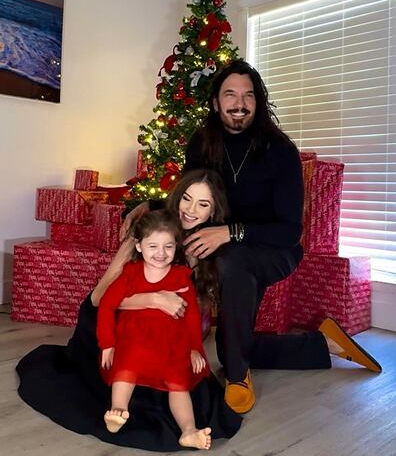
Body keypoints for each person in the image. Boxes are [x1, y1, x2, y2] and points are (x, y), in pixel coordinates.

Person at [177, 59, 382, 414]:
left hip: (275, 249)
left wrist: (230, 231)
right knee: (230, 342)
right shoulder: (202, 142)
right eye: (230, 94)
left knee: (231, 259)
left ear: (258, 102)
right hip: (223, 245)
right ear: (215, 102)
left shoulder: (280, 151)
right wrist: (146, 207)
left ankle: (238, 376)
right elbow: (187, 193)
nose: (239, 102)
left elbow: (290, 231)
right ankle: (323, 345)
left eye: (248, 95)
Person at [16, 170, 241, 452]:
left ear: (214, 212)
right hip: (110, 319)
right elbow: (99, 299)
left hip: (156, 329)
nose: (192, 210)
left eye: (203, 204)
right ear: (176, 198)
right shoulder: (146, 233)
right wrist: (154, 299)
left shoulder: (202, 245)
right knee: (145, 397)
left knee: (190, 387)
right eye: (186, 199)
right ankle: (121, 409)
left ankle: (188, 428)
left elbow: (185, 310)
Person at [97, 210, 211, 449]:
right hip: (134, 337)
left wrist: (194, 349)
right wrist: (108, 344)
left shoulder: (181, 276)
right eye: (153, 246)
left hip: (171, 342)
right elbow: (106, 304)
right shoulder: (131, 273)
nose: (161, 254)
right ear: (139, 246)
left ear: (176, 246)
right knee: (125, 367)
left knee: (178, 384)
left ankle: (189, 430)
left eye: (168, 247)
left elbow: (191, 317)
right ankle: (118, 410)